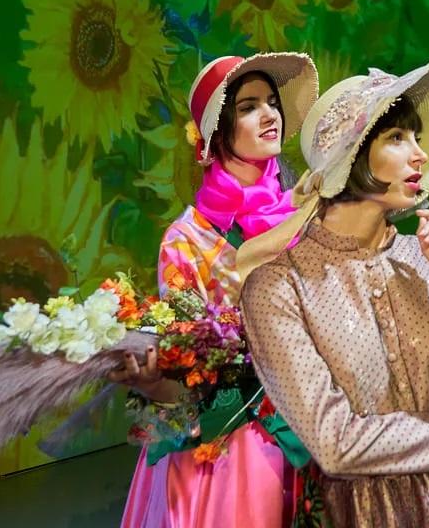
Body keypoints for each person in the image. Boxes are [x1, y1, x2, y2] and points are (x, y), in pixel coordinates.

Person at [237, 62, 429, 527]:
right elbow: (335, 444)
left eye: (417, 138)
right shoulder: (279, 287)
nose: (420, 155)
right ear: (352, 157)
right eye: (397, 138)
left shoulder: (427, 260)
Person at [112, 53, 318, 528]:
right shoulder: (187, 239)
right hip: (229, 450)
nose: (268, 114)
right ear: (217, 135)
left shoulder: (305, 213)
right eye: (248, 107)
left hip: (313, 426)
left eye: (271, 103)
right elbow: (188, 360)